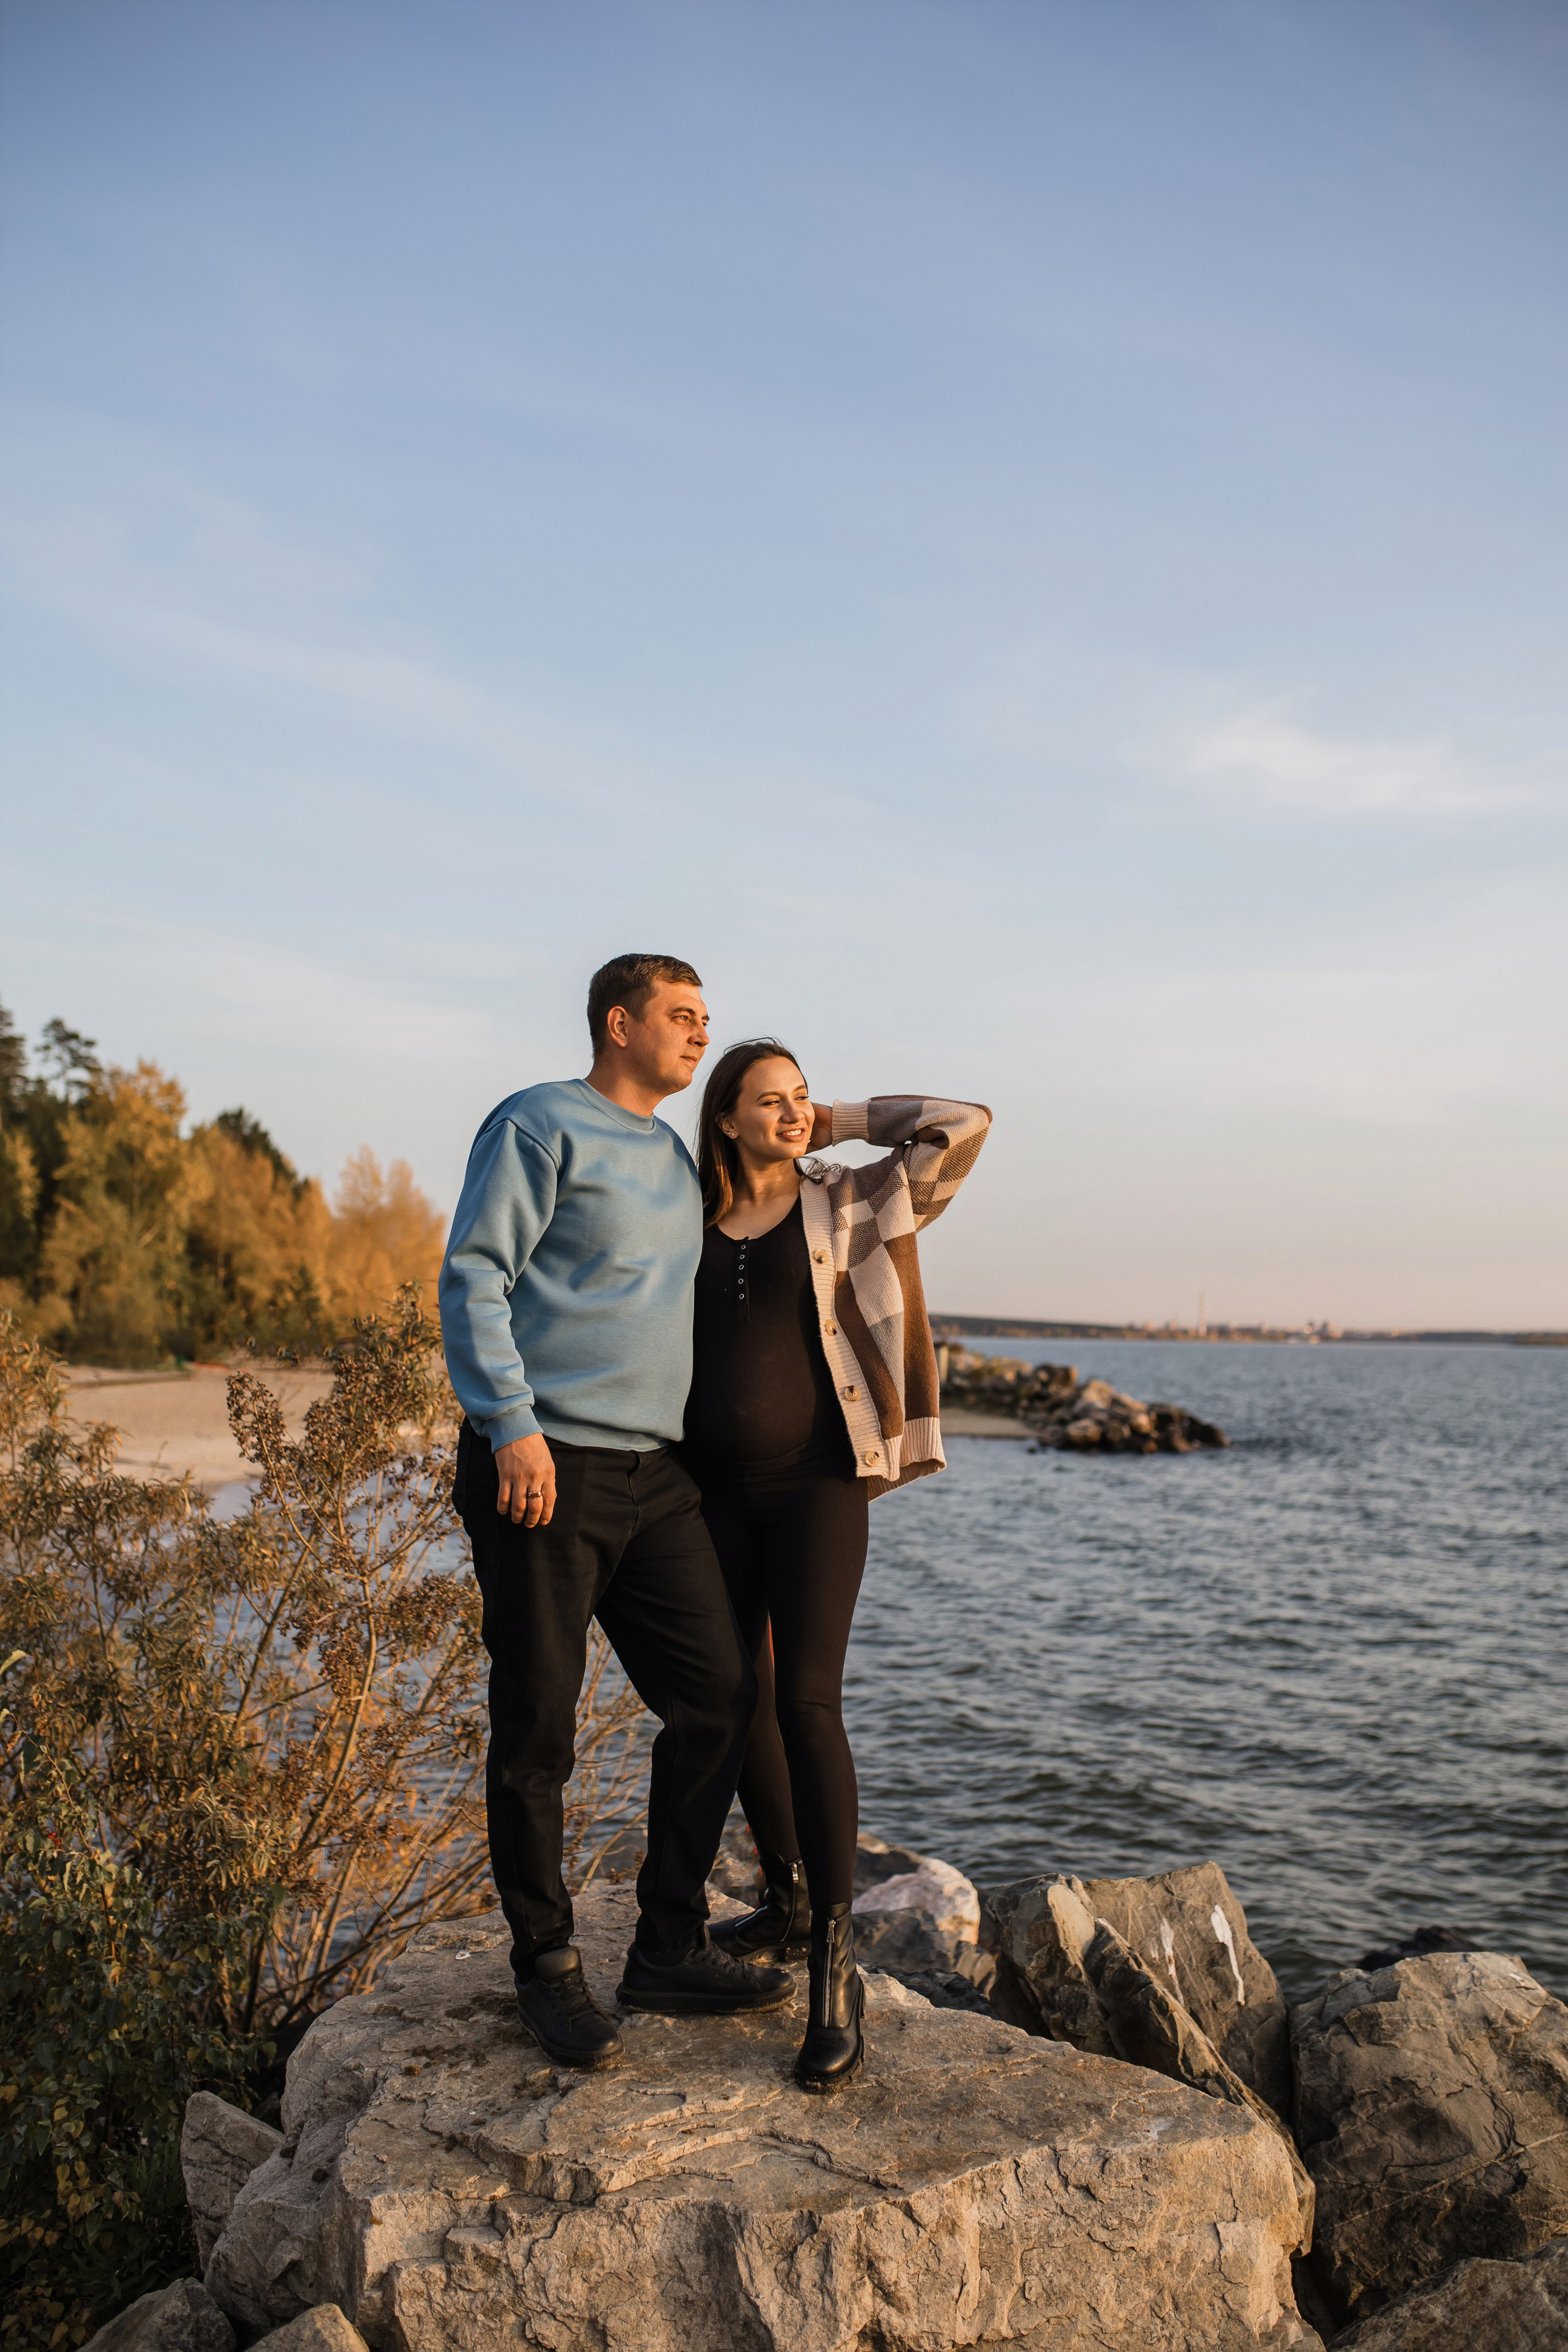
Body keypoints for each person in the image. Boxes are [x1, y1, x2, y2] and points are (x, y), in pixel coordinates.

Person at [438, 956, 791, 2073]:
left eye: (707, 1019)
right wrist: (511, 1424)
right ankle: (546, 1964)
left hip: (654, 1474)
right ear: (619, 1022)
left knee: (720, 1696)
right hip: (544, 1466)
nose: (700, 1034)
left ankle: (668, 1947)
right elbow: (475, 1277)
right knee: (538, 1722)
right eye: (682, 1016)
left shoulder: (678, 1158)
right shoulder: (541, 1123)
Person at [680, 1042, 990, 2093]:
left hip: (817, 1486)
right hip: (708, 1496)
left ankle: (832, 1966)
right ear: (724, 1117)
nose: (790, 1112)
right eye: (769, 1100)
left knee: (808, 1703)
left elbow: (963, 1125)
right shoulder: (685, 1219)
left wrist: (840, 1117)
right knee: (735, 1699)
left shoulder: (856, 1198)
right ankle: (785, 1897)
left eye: (799, 1097)